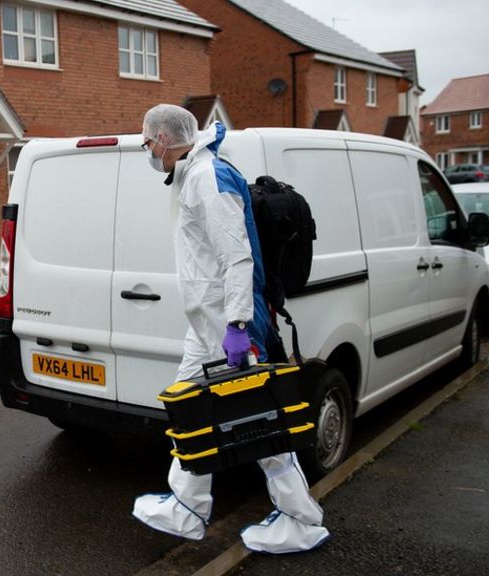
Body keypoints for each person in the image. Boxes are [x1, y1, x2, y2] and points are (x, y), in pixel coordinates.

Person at [131, 105, 329, 554]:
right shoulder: (193, 173)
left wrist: (239, 325)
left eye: (147, 143)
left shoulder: (208, 178)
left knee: (256, 418)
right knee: (189, 409)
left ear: (165, 137)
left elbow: (237, 257)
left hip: (228, 322)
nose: (147, 151)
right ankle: (187, 504)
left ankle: (301, 519)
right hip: (208, 322)